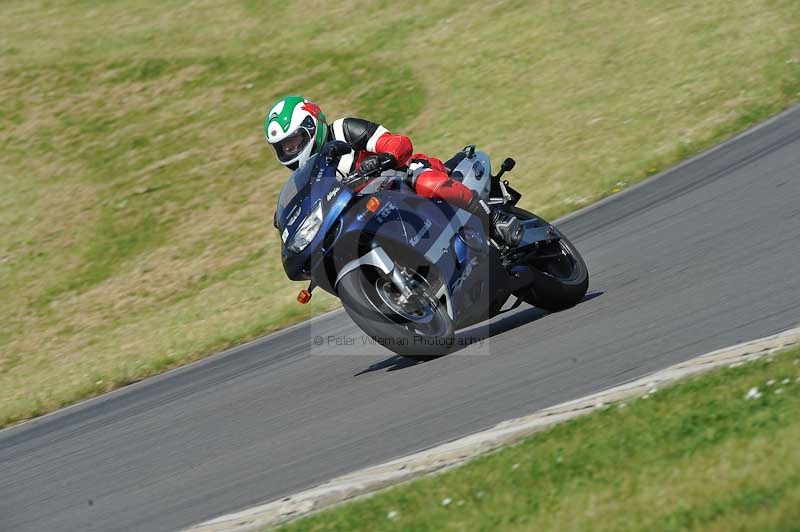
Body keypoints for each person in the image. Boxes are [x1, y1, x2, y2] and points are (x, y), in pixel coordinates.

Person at [265, 96, 522, 246]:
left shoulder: (343, 129)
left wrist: (384, 158)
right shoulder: (309, 178)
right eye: (285, 148)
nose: (292, 150)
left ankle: (492, 220)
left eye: (294, 141)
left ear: (313, 127)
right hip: (371, 214)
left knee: (426, 182)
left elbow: (396, 142)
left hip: (400, 178)